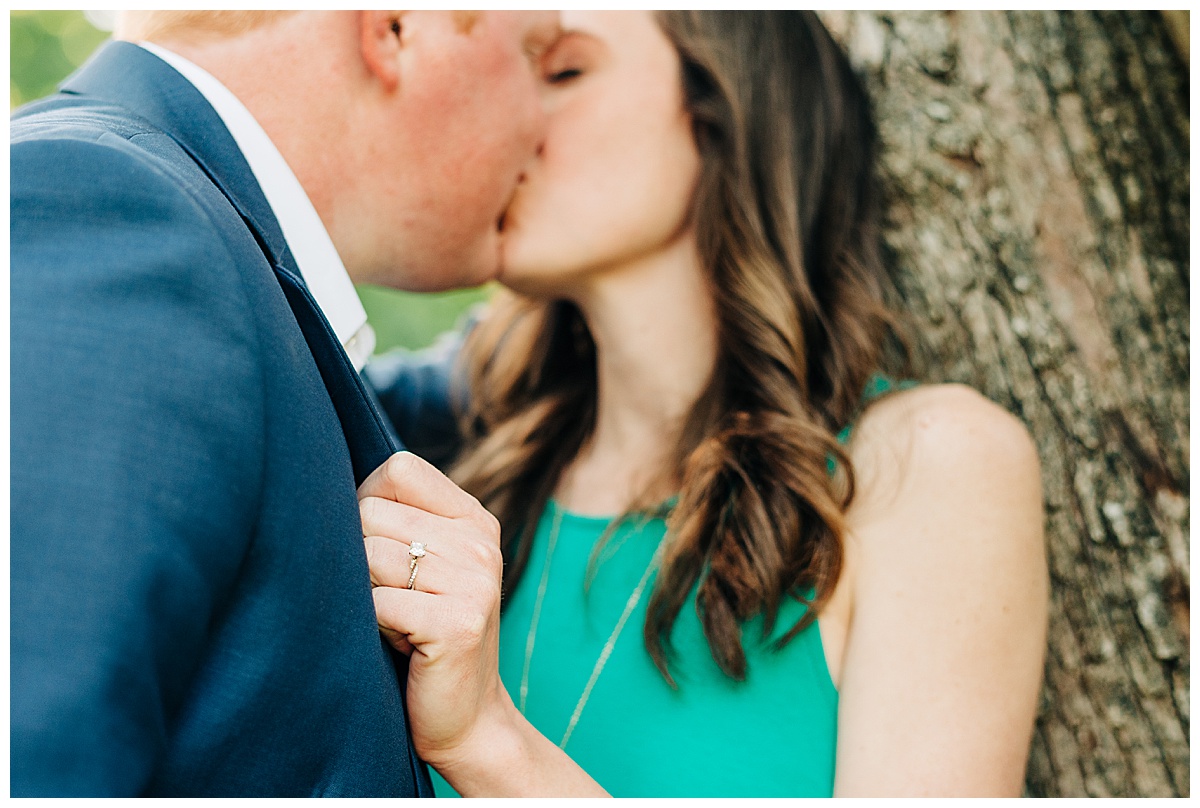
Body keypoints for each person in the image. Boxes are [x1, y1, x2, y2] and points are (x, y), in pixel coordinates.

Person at [361, 10, 1050, 797]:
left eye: (563, 74)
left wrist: (490, 746)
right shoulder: (458, 485)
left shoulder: (928, 467)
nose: (506, 114)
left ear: (726, 111)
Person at [10, 10, 561, 796]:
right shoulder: (109, 205)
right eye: (540, 57)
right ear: (399, 27)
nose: (546, 129)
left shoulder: (210, 262)